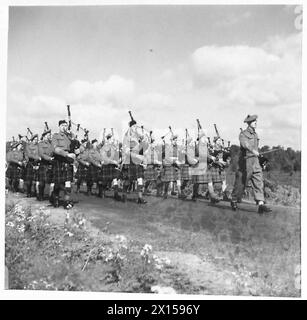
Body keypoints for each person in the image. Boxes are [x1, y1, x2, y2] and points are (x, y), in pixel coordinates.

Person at [230, 114, 272, 214]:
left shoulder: (255, 134)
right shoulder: (243, 134)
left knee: (259, 182)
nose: (256, 123)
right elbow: (245, 144)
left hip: (255, 161)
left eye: (256, 121)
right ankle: (234, 200)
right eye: (254, 122)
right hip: (245, 162)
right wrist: (253, 150)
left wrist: (258, 156)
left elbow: (256, 148)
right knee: (241, 183)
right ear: (249, 123)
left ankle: (261, 204)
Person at [121, 119, 148, 204]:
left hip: (137, 162)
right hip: (129, 161)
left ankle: (140, 198)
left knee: (140, 179)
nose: (135, 128)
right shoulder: (126, 137)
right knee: (128, 180)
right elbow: (126, 151)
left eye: (136, 126)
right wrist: (137, 156)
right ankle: (124, 195)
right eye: (134, 126)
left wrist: (144, 139)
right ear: (131, 127)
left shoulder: (137, 136)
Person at [51, 120, 76, 209]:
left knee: (68, 183)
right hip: (59, 160)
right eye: (62, 125)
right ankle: (55, 198)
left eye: (66, 125)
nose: (64, 127)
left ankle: (66, 202)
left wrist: (75, 152)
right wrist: (66, 154)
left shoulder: (68, 137)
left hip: (67, 161)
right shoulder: (55, 136)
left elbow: (75, 147)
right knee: (58, 183)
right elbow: (55, 149)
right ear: (59, 126)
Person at [99, 132, 122, 200]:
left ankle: (116, 194)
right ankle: (102, 193)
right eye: (112, 139)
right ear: (108, 139)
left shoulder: (113, 148)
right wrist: (113, 161)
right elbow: (104, 158)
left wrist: (118, 161)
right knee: (105, 181)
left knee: (115, 180)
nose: (113, 140)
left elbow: (116, 156)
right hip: (106, 166)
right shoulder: (104, 147)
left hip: (112, 166)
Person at [37, 129, 54, 201]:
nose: (49, 136)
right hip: (43, 164)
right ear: (44, 136)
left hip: (50, 164)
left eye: (50, 135)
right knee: (42, 182)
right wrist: (50, 158)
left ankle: (51, 196)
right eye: (48, 135)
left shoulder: (51, 144)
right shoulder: (40, 144)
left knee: (51, 182)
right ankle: (40, 195)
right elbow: (42, 154)